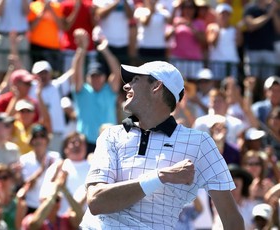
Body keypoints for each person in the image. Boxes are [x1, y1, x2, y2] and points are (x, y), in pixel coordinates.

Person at [79, 61, 244, 229]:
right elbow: (96, 202)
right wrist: (161, 176)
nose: (126, 87)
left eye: (135, 79)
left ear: (156, 86)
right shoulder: (110, 135)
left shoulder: (200, 143)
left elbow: (232, 221)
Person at [71, 29, 121, 154]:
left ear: (104, 77)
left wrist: (105, 50)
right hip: (85, 143)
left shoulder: (109, 90)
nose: (96, 79)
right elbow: (76, 72)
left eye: (98, 76)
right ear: (88, 78)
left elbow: (117, 72)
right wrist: (82, 50)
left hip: (109, 141)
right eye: (92, 76)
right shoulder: (82, 91)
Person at [39, 131, 90, 216]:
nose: (77, 145)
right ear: (65, 149)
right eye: (73, 142)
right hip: (61, 222)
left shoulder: (94, 167)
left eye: (80, 142)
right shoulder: (57, 166)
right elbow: (43, 195)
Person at [19, 124, 61, 213]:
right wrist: (42, 169)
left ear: (47, 139)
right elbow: (28, 185)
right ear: (31, 140)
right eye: (35, 136)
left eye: (42, 136)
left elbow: (58, 182)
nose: (39, 140)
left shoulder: (56, 157)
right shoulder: (24, 159)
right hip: (31, 206)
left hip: (49, 206)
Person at [0, 163, 27, 230]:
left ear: (12, 180)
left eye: (4, 177)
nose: (0, 181)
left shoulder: (20, 203)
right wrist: (1, 201)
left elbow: (18, 227)